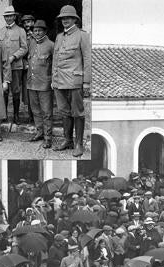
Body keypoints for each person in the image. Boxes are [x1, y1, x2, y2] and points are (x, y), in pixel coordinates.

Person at [52, 4, 92, 157]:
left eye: (68, 18)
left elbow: (87, 59)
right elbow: (55, 59)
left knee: (77, 113)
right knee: (64, 112)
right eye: (63, 18)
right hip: (59, 81)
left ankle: (78, 144)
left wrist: (86, 82)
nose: (65, 20)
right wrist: (53, 80)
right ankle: (67, 140)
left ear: (75, 19)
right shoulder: (59, 37)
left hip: (75, 81)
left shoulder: (82, 35)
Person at [0, 5, 28, 125]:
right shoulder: (0, 31)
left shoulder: (21, 31)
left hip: (15, 66)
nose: (8, 18)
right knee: (3, 91)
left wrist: (14, 57)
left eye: (10, 16)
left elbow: (24, 48)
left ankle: (16, 115)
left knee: (15, 91)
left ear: (14, 16)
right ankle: (3, 114)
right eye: (6, 16)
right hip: (3, 67)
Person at [27, 20, 54, 147]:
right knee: (36, 111)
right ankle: (39, 132)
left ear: (45, 31)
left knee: (46, 112)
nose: (37, 33)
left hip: (45, 84)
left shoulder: (51, 45)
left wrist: (53, 81)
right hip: (32, 83)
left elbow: (55, 65)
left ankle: (48, 137)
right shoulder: (31, 43)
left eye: (39, 30)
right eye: (35, 31)